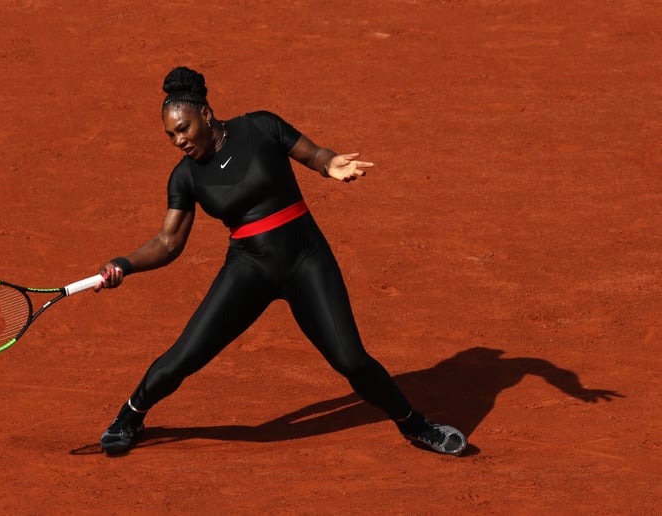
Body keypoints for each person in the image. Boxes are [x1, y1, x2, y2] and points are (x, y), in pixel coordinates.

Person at [93, 66, 467, 456]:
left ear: (205, 114)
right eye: (171, 135)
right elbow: (168, 242)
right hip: (249, 270)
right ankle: (130, 415)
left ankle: (416, 425)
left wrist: (330, 164)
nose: (178, 141)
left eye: (183, 128)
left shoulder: (260, 127)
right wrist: (124, 263)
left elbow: (314, 154)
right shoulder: (185, 177)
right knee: (184, 356)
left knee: (352, 361)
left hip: (306, 259)